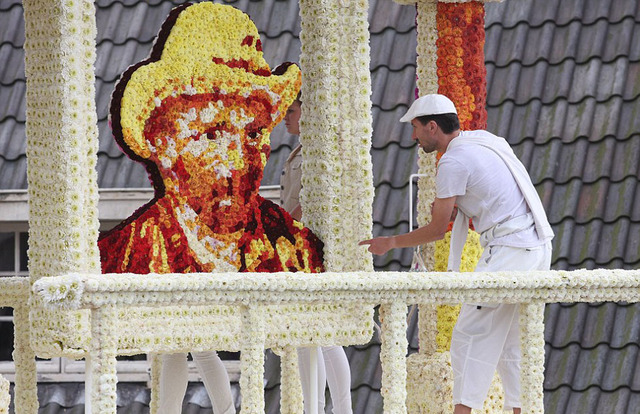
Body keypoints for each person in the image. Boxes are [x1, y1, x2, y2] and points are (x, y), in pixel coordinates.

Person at [99, 4, 324, 413]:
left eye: (254, 134)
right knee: (178, 351)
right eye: (213, 134)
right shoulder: (126, 255)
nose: (239, 163)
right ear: (162, 144)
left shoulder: (294, 250)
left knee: (192, 351)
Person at [359, 94, 553, 414]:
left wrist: (390, 242)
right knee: (510, 340)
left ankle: (463, 411)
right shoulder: (484, 140)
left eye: (417, 128)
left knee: (468, 333)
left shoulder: (452, 161)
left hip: (512, 251)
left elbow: (437, 229)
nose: (414, 136)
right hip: (537, 247)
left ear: (433, 126)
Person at [280, 95, 354, 414]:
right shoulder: (299, 149)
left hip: (310, 248)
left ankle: (341, 408)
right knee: (305, 331)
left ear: (307, 111)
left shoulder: (315, 149)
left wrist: (281, 225)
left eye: (292, 110)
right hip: (296, 248)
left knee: (323, 332)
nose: (286, 117)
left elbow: (309, 199)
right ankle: (316, 407)